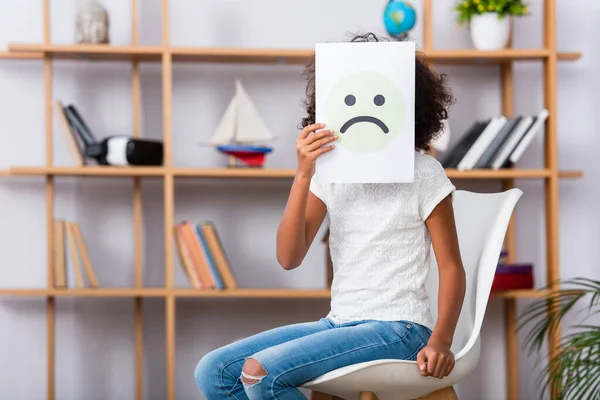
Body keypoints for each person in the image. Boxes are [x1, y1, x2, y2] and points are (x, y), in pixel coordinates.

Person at [194, 32, 465, 400]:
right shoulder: (330, 174)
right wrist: (304, 173)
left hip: (401, 329)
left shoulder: (424, 172)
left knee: (261, 375)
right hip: (340, 322)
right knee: (214, 372)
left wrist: (442, 340)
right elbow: (289, 257)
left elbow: (451, 268)